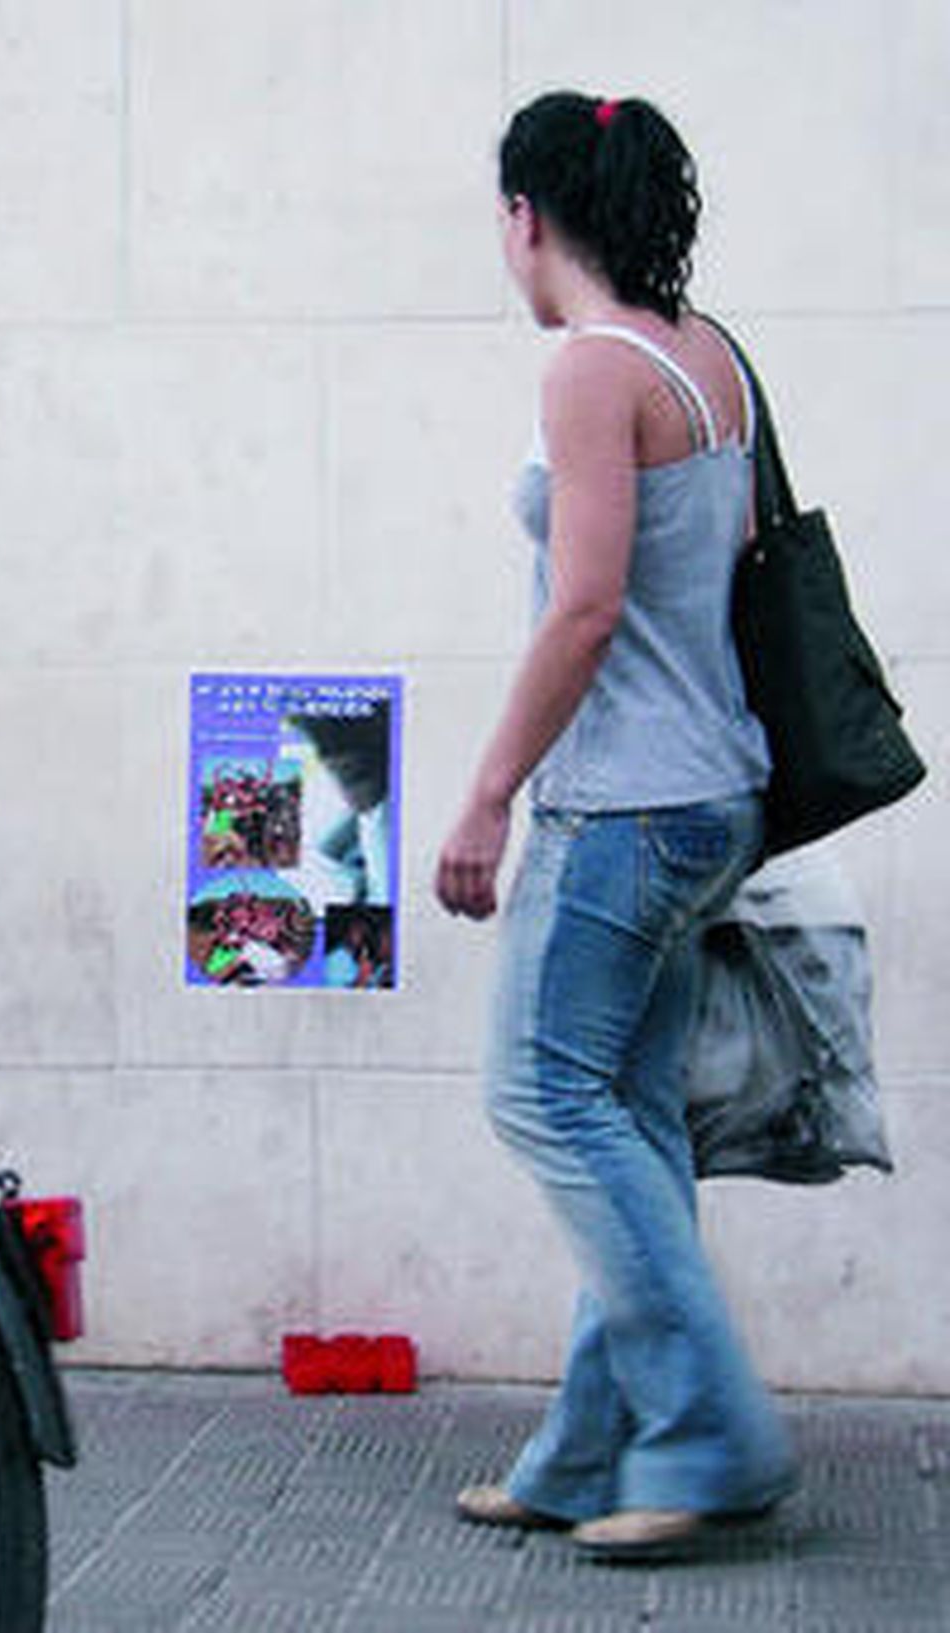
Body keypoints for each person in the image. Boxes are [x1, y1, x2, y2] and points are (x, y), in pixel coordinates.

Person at [434, 92, 796, 1562]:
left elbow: (585, 609)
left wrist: (486, 792)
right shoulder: (707, 357)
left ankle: (710, 1437)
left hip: (621, 807)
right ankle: (587, 1452)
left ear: (528, 216)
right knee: (631, 1124)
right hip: (714, 794)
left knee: (542, 1096)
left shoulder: (592, 369)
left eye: (501, 222)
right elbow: (728, 564)